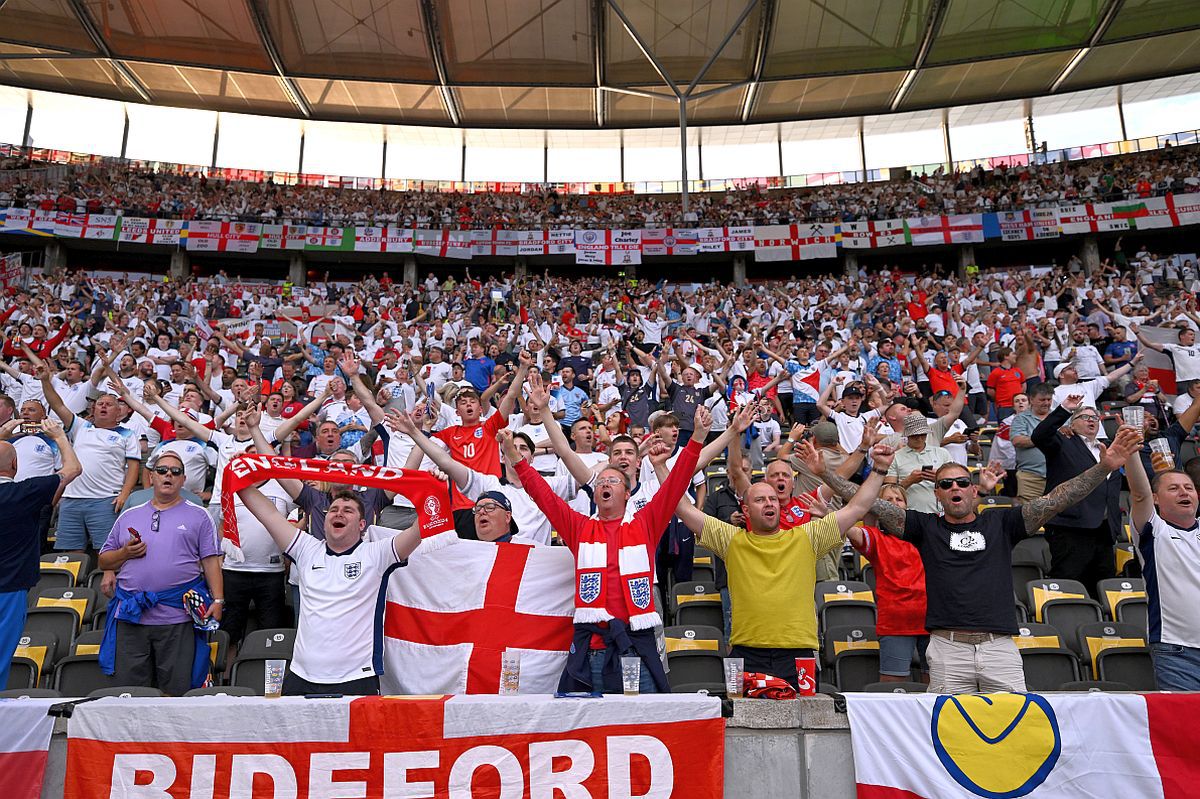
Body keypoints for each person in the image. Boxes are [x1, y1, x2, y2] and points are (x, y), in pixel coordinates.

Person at [818, 426, 1143, 693]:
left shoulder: (1003, 522)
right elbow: (869, 503)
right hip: (947, 649)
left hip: (999, 648)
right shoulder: (923, 527)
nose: (955, 487)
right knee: (946, 736)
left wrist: (1104, 467)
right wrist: (825, 475)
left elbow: (1058, 499)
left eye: (962, 482)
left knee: (1017, 731)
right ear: (938, 494)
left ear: (974, 491)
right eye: (946, 484)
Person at [658, 434, 891, 689]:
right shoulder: (731, 540)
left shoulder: (807, 537)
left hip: (799, 652)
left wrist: (879, 469)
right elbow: (681, 507)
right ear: (745, 510)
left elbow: (857, 508)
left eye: (772, 499)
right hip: (747, 651)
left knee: (805, 723)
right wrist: (660, 466)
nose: (769, 502)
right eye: (759, 499)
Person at [508, 406, 711, 694]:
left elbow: (677, 482)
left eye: (612, 481)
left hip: (636, 647)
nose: (605, 483)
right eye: (601, 481)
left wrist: (698, 438)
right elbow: (543, 495)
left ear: (627, 493)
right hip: (593, 650)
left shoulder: (646, 523)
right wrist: (516, 459)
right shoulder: (579, 528)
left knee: (642, 729)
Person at [237, 483, 424, 696]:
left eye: (348, 510)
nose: (339, 513)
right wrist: (237, 478)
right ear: (324, 521)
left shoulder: (378, 554)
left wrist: (433, 489)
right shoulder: (306, 549)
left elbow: (420, 528)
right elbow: (268, 514)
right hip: (301, 676)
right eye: (333, 510)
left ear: (362, 524)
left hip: (356, 677)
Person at [97, 450, 224, 695]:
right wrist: (125, 553)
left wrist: (218, 600)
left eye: (175, 472)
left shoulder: (200, 515)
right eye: (162, 470)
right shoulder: (129, 515)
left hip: (177, 617)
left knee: (177, 691)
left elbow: (210, 561)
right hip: (131, 616)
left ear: (183, 480)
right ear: (151, 476)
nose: (169, 475)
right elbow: (104, 560)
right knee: (129, 692)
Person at [0, 419, 81, 687]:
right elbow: (73, 469)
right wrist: (60, 438)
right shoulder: (27, 492)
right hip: (9, 591)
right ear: (15, 466)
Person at [34, 356, 140, 552]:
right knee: (71, 554)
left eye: (109, 404)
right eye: (100, 404)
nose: (103, 406)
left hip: (106, 500)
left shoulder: (127, 434)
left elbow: (134, 466)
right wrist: (45, 381)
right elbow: (57, 405)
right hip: (71, 499)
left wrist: (125, 494)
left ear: (119, 412)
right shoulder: (81, 426)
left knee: (107, 552)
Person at [1125, 439, 1200, 690]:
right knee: (1185, 728)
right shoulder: (1155, 531)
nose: (1184, 492)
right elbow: (1138, 494)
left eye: (1188, 487)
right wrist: (1131, 453)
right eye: (1174, 488)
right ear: (1156, 499)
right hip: (1177, 652)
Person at [1032, 393, 1125, 591]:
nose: (1091, 420)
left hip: (1105, 531)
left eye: (1095, 417)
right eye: (1085, 416)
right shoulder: (1062, 442)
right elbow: (1039, 435)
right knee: (1070, 584)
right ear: (1072, 424)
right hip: (1071, 528)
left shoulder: (1109, 449)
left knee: (1105, 587)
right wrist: (1065, 409)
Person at [1009, 383, 1054, 503]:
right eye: (1042, 399)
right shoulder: (1021, 419)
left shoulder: (1059, 417)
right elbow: (1017, 440)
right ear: (1032, 400)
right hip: (1030, 478)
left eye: (1049, 399)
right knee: (1031, 517)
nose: (1046, 403)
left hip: (1057, 475)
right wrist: (1045, 437)